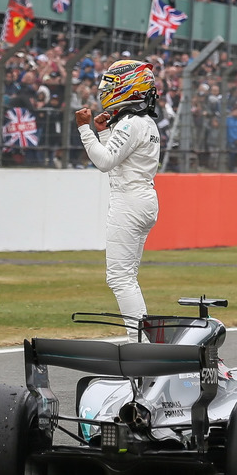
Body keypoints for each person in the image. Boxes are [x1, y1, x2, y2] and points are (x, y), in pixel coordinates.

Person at [75, 60, 160, 343]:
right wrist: (103, 132)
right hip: (145, 197)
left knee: (119, 278)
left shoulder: (130, 123)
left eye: (111, 86)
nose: (105, 91)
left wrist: (85, 129)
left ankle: (140, 344)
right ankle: (142, 340)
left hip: (129, 201)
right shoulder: (146, 123)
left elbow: (105, 161)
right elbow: (121, 160)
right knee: (128, 277)